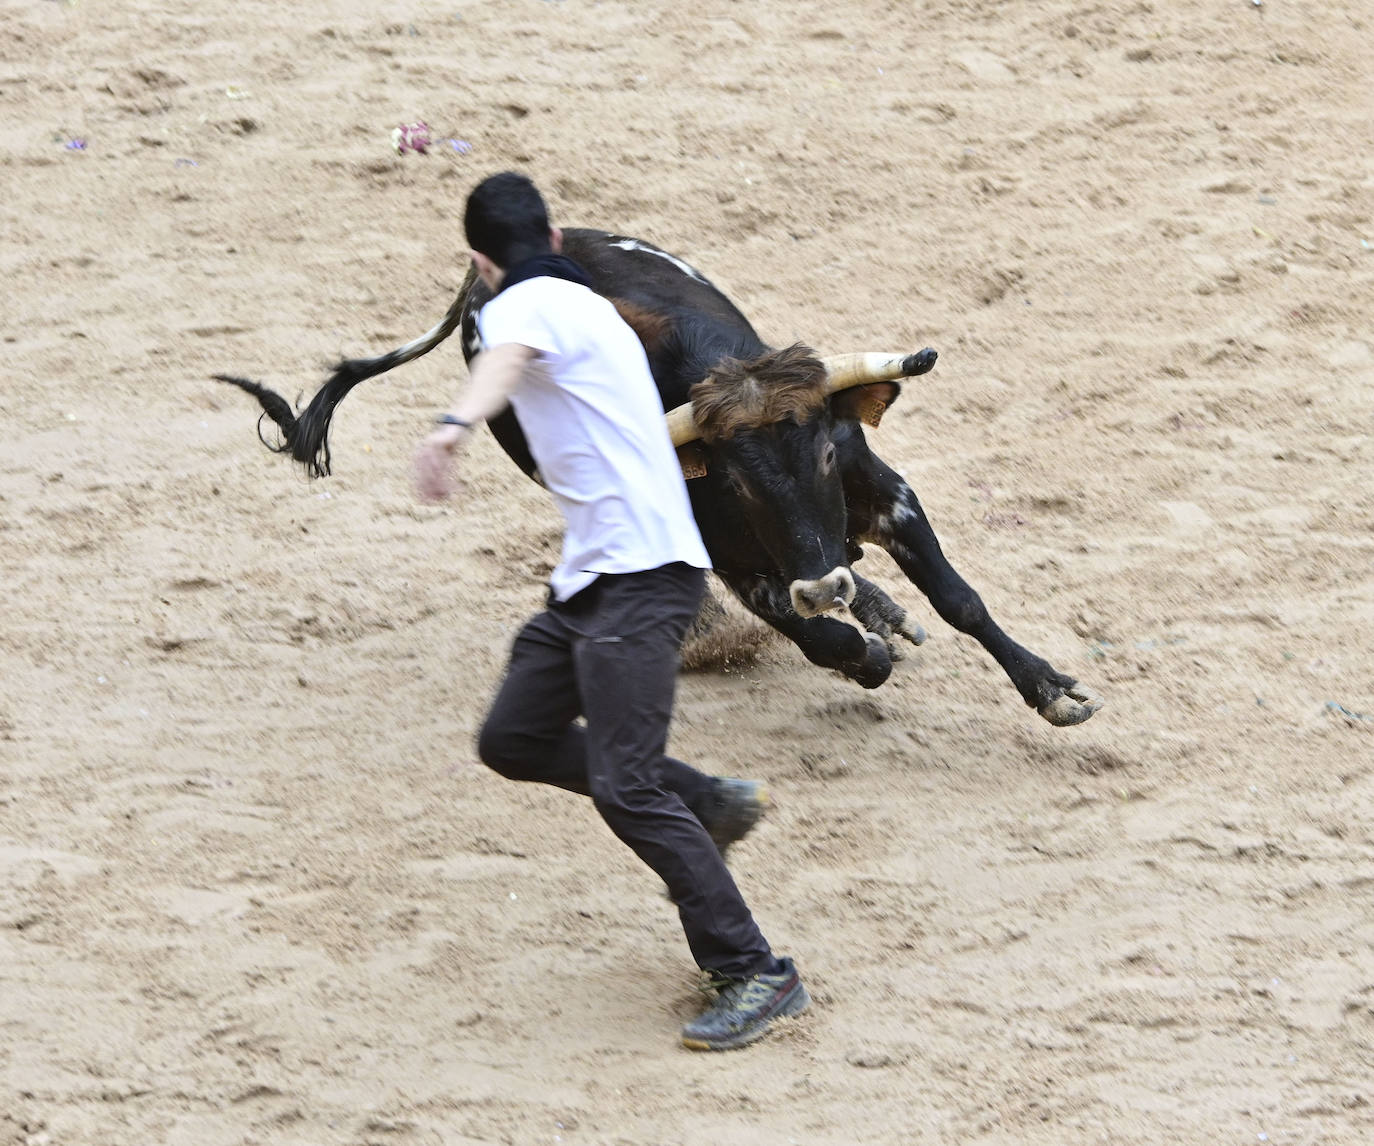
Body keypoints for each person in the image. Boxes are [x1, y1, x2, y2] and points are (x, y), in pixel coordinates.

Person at [412, 172, 809, 1051]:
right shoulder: (584, 303)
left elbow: (503, 360)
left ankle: (755, 970)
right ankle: (705, 800)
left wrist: (452, 426)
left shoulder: (532, 305)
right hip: (596, 579)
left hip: (641, 577)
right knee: (512, 739)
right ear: (550, 232)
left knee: (627, 784)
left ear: (482, 263)